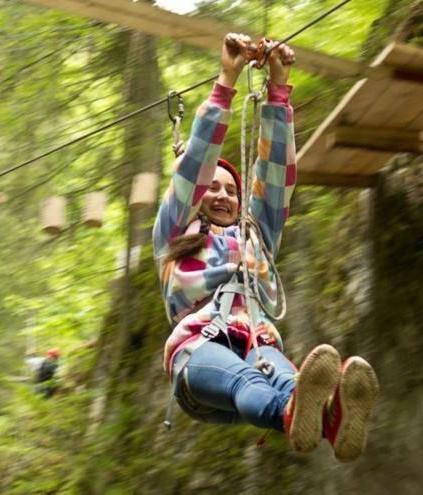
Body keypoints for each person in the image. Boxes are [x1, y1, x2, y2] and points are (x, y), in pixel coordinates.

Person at [152, 33, 379, 462]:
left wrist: (279, 86)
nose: (222, 196)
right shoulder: (173, 233)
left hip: (258, 344)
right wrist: (227, 79)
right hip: (198, 356)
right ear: (195, 195)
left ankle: (331, 417)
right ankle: (296, 414)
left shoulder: (255, 235)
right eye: (211, 189)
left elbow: (276, 175)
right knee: (249, 381)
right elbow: (195, 164)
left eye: (231, 191)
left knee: (287, 380)